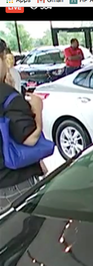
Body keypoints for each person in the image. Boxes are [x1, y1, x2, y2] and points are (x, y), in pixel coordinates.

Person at [0, 39, 45, 212]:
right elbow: (30, 139)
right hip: (13, 183)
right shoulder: (8, 95)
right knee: (27, 235)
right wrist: (37, 110)